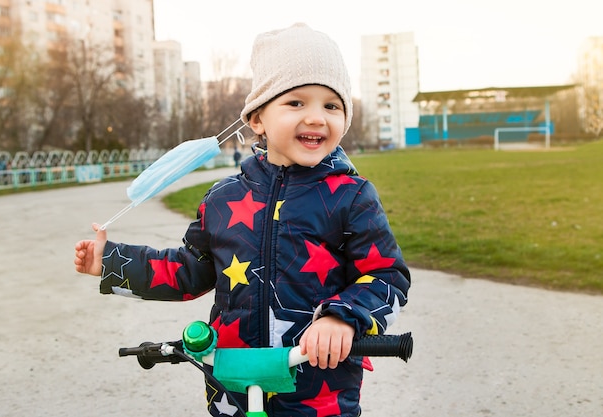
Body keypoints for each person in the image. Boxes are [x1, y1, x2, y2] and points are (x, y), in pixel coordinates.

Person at [74, 23, 411, 417]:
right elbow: (188, 271)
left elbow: (388, 276)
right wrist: (113, 263)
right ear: (257, 118)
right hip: (232, 381)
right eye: (297, 103)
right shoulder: (222, 199)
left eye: (331, 106)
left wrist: (344, 317)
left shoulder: (352, 196)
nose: (317, 117)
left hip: (320, 387)